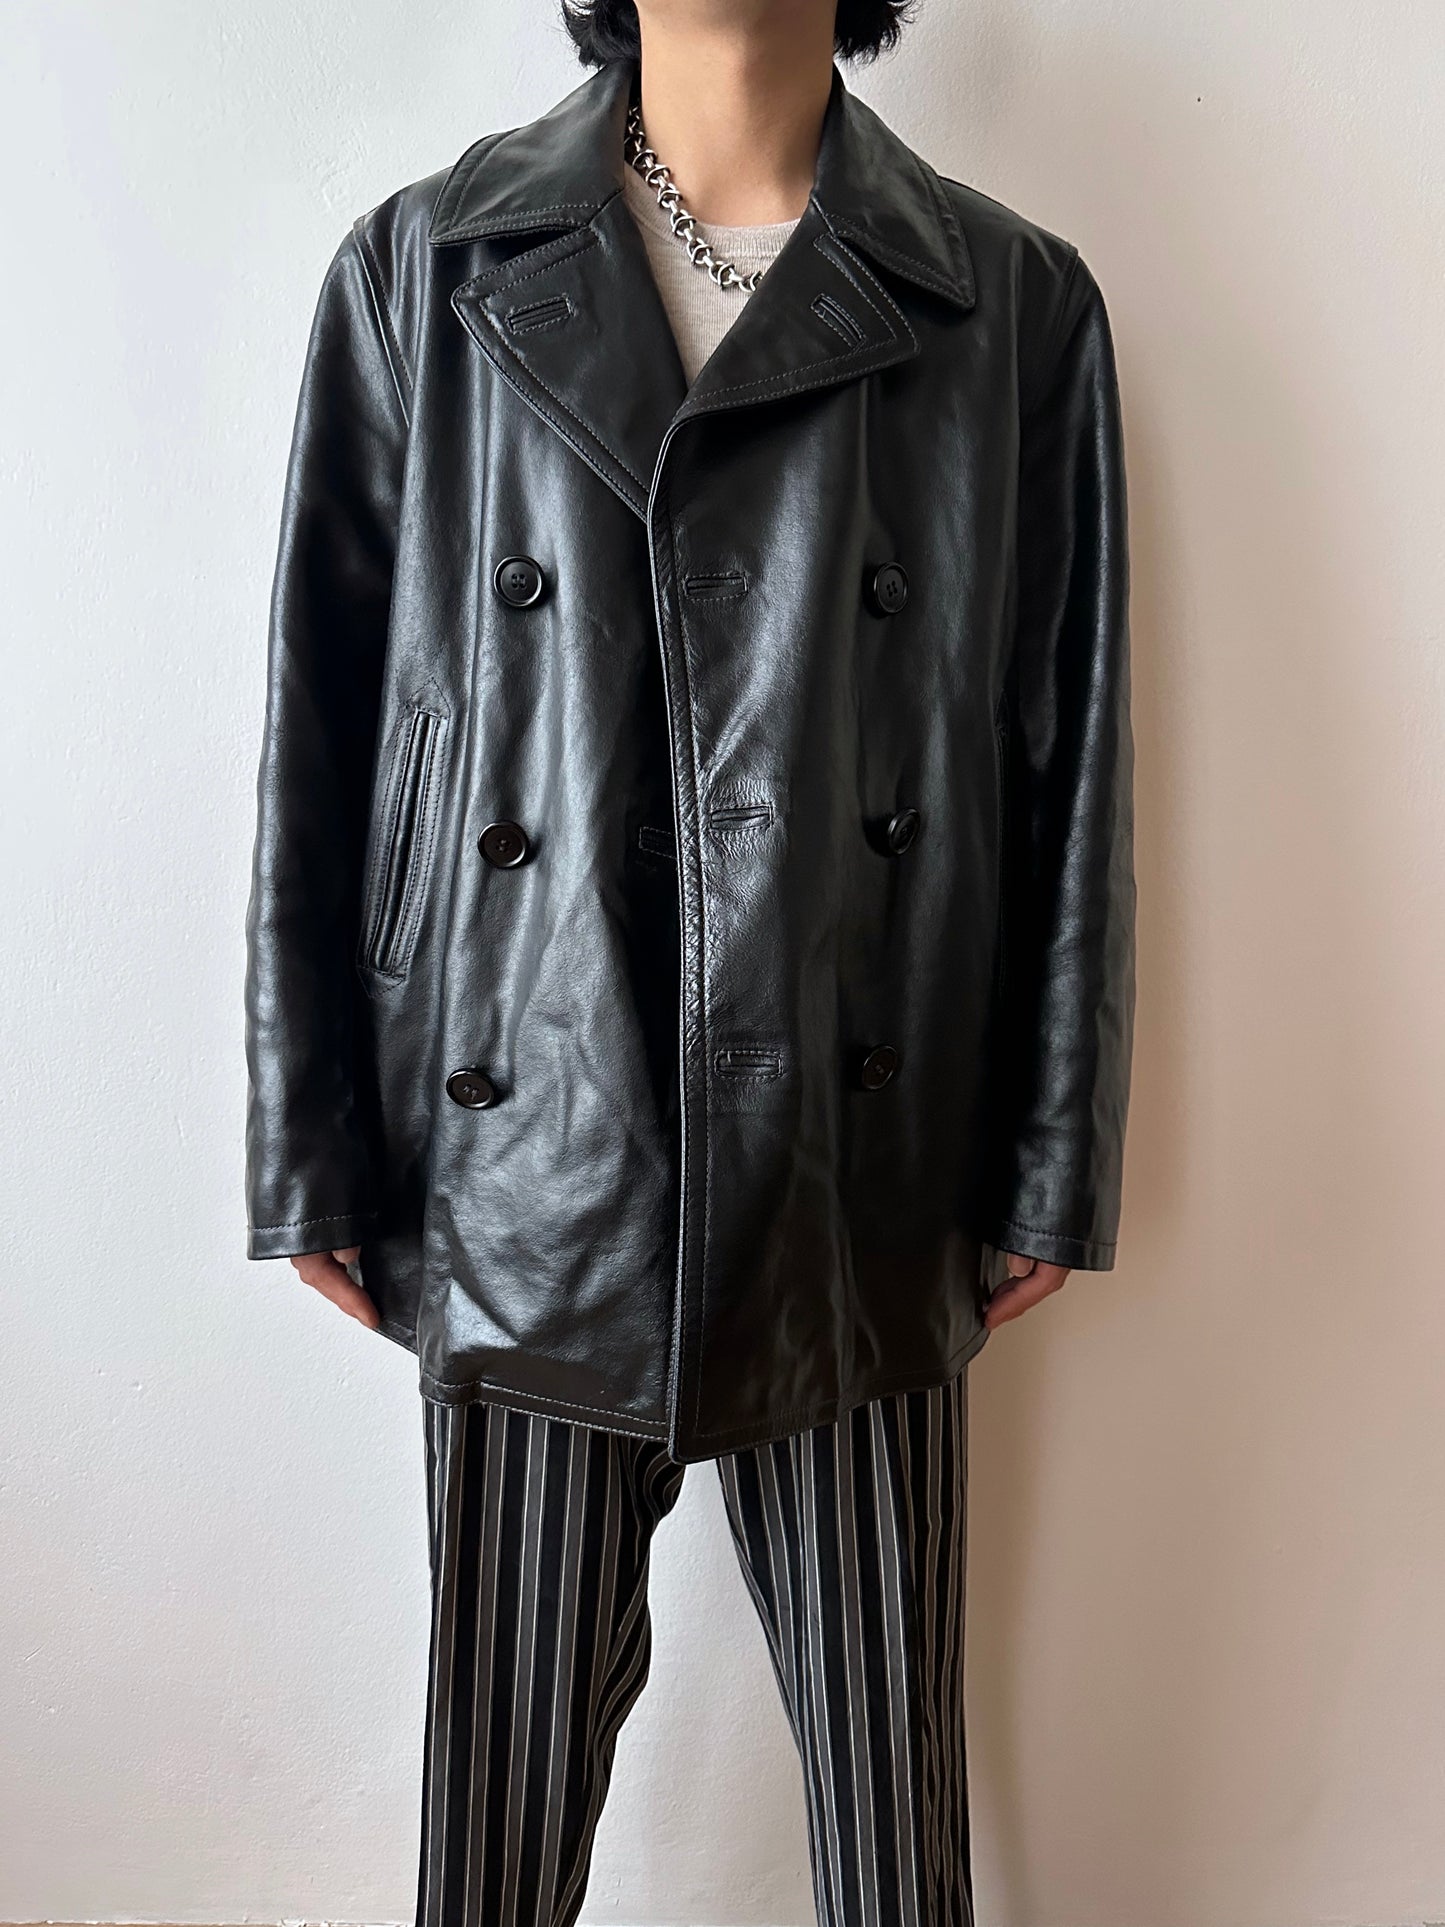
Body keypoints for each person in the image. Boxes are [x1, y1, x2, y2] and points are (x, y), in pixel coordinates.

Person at [243, 0, 1136, 1919]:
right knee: (494, 1832)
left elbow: (1066, 759)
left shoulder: (1010, 305)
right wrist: (307, 1139)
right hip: (525, 1155)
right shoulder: (428, 269)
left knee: (892, 1826)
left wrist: (1050, 1152)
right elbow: (330, 728)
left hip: (858, 1157)